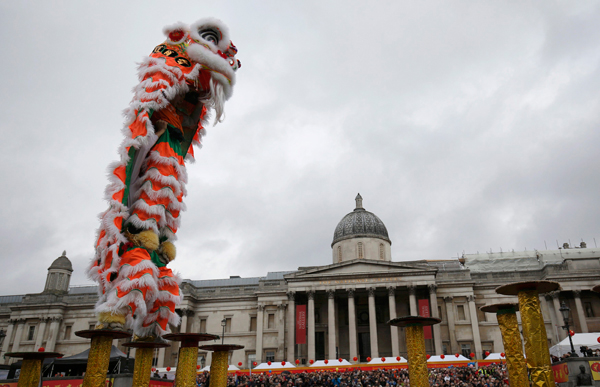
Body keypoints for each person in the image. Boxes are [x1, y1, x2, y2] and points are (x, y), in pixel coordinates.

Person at [89, 18, 240, 340]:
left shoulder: (182, 126)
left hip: (170, 163)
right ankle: (122, 298)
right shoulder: (170, 64)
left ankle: (148, 311)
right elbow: (158, 89)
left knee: (165, 218)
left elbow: (201, 94)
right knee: (145, 213)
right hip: (157, 152)